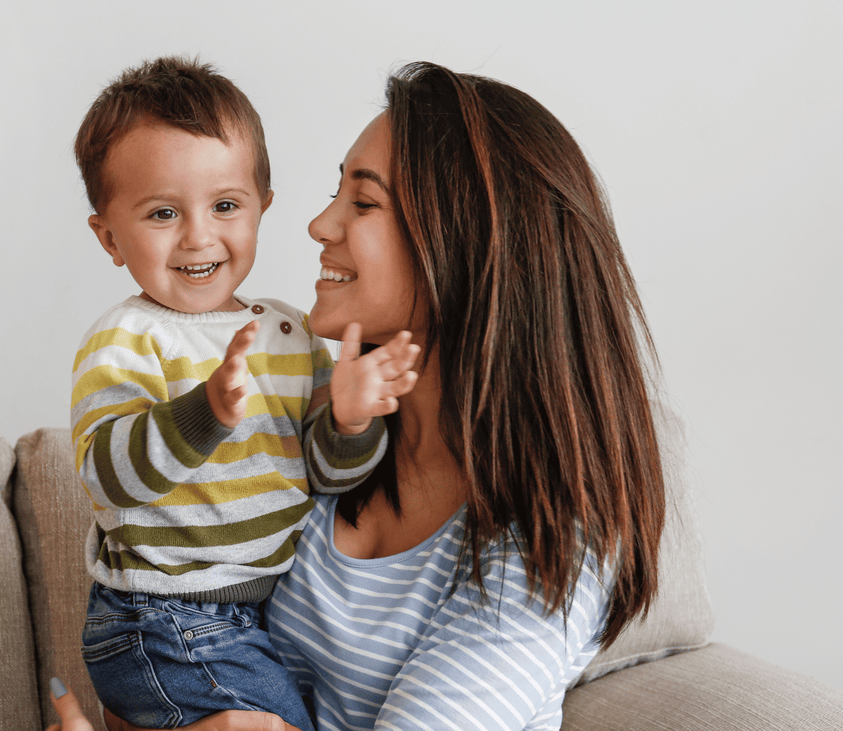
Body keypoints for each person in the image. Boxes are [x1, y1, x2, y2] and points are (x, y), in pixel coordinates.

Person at [58, 60, 666, 731]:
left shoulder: (548, 547)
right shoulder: (319, 446)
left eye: (363, 201)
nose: (319, 225)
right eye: (333, 192)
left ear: (460, 243)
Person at [70, 57, 420, 731]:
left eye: (225, 205)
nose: (200, 236)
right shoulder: (126, 338)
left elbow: (323, 473)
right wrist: (205, 412)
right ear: (109, 235)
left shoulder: (288, 332)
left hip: (252, 614)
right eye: (163, 212)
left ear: (263, 205)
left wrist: (350, 420)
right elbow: (109, 476)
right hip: (161, 615)